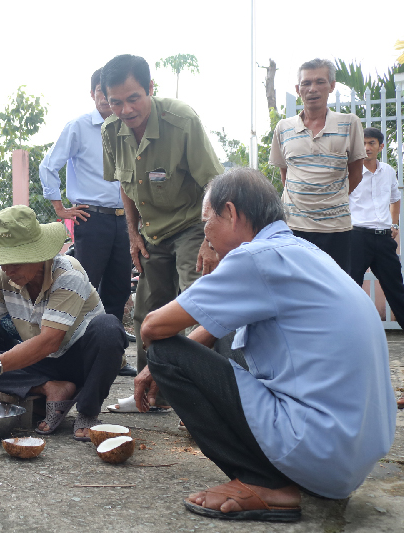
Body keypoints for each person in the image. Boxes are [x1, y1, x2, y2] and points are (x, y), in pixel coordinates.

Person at [134, 168, 395, 522]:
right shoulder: (300, 251)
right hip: (350, 455)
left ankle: (263, 483)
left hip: (316, 450)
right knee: (216, 330)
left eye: (207, 224)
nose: (205, 236)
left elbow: (152, 326)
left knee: (166, 354)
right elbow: (213, 325)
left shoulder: (255, 257)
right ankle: (276, 471)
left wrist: (158, 365)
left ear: (231, 213)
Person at [0, 206, 127, 441]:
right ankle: (51, 387)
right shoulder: (1, 279)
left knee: (109, 328)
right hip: (41, 362)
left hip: (81, 360)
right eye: (2, 261)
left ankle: (87, 410)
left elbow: (49, 341)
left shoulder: (67, 274)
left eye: (14, 261)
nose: (6, 269)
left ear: (39, 254)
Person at [99, 54, 222, 411]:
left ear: (151, 88)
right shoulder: (110, 131)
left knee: (196, 306)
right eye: (116, 101)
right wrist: (133, 233)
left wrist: (211, 242)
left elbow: (214, 185)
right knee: (148, 313)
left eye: (134, 97)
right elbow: (126, 183)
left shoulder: (181, 120)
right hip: (150, 232)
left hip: (192, 225)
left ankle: (204, 398)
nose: (125, 109)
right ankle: (153, 394)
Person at [39, 68, 136, 377]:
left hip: (124, 219)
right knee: (86, 287)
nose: (109, 100)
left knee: (119, 290)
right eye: (103, 93)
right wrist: (59, 207)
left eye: (113, 95)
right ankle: (77, 353)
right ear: (94, 93)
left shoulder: (127, 125)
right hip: (90, 218)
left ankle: (114, 357)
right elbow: (48, 166)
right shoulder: (78, 127)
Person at [270, 58, 365, 272]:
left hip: (336, 229)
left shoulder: (349, 123)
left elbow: (356, 174)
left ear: (332, 86)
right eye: (306, 83)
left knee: (336, 291)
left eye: (320, 82)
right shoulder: (283, 128)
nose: (312, 89)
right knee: (295, 288)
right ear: (298, 89)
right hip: (293, 227)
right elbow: (286, 175)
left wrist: (331, 200)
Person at [349, 127, 404, 330]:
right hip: (357, 237)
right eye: (363, 143)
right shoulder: (351, 171)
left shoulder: (388, 171)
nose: (366, 148)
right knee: (350, 288)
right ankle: (350, 337)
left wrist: (394, 224)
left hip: (383, 239)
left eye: (371, 143)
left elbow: (395, 199)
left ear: (380, 146)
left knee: (396, 289)